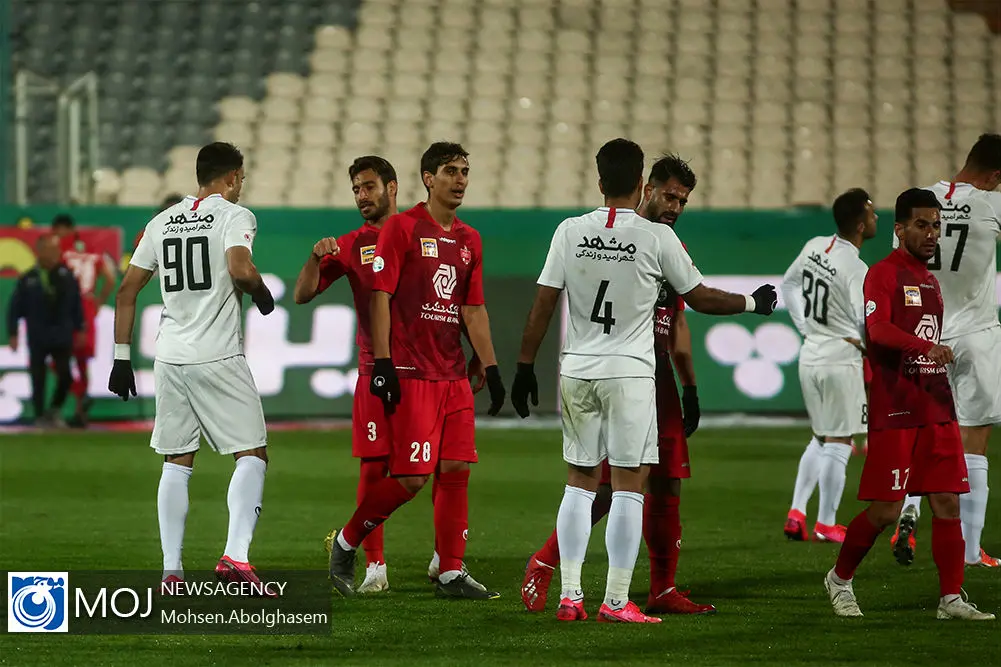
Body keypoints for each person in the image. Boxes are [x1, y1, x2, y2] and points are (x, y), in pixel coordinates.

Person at [510, 139, 777, 623]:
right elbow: (698, 298)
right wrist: (753, 304)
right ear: (641, 185)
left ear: (598, 182)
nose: (675, 207)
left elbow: (544, 304)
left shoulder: (569, 231)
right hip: (632, 374)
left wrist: (525, 367)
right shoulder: (657, 240)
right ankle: (615, 600)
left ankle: (571, 598)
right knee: (631, 488)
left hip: (577, 370)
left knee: (580, 485)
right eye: (668, 196)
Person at [326, 142, 506, 600]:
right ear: (428, 178)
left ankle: (450, 569)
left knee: (456, 470)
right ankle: (348, 540)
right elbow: (380, 296)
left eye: (465, 171)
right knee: (411, 477)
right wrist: (383, 363)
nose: (460, 179)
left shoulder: (471, 239)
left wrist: (491, 365)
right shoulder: (402, 229)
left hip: (452, 375)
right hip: (411, 372)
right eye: (451, 171)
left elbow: (473, 307)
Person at [107, 142, 277, 591]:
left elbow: (126, 292)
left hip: (170, 357)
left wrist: (121, 359)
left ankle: (171, 571)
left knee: (177, 462)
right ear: (234, 177)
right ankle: (236, 557)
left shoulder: (160, 222)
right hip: (217, 354)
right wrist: (261, 295)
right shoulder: (235, 216)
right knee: (252, 453)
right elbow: (240, 268)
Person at [823, 188, 994, 621]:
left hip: (936, 405)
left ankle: (950, 598)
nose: (932, 233)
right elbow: (878, 330)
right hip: (897, 408)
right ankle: (839, 579)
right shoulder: (883, 273)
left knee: (947, 503)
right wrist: (925, 346)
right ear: (899, 229)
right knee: (886, 510)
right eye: (922, 224)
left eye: (936, 225)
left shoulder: (930, 279)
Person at [890, 133, 1001, 568]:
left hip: (925, 334)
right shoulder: (992, 204)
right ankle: (972, 551)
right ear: (994, 175)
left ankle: (909, 510)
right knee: (974, 438)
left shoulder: (923, 201)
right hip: (975, 333)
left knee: (925, 434)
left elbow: (894, 270)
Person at [780, 189, 877, 543]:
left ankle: (796, 510)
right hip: (839, 358)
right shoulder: (855, 266)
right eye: (871, 212)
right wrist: (868, 346)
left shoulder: (815, 245)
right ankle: (827, 522)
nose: (875, 218)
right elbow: (864, 316)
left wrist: (806, 326)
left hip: (811, 354)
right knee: (840, 440)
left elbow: (787, 285)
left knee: (820, 436)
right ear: (859, 223)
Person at [6, 234, 84, 427]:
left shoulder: (66, 276)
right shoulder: (29, 279)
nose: (55, 253)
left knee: (66, 375)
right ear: (39, 251)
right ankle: (40, 415)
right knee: (38, 376)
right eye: (50, 249)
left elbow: (76, 304)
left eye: (56, 249)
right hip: (38, 334)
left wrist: (80, 328)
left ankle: (54, 409)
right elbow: (14, 308)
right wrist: (13, 333)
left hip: (61, 334)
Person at [51, 214, 118, 427]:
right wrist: (98, 301)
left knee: (59, 357)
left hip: (68, 306)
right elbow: (110, 277)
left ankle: (79, 396)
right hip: (87, 305)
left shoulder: (62, 250)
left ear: (65, 229)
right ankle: (82, 406)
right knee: (81, 360)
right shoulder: (92, 250)